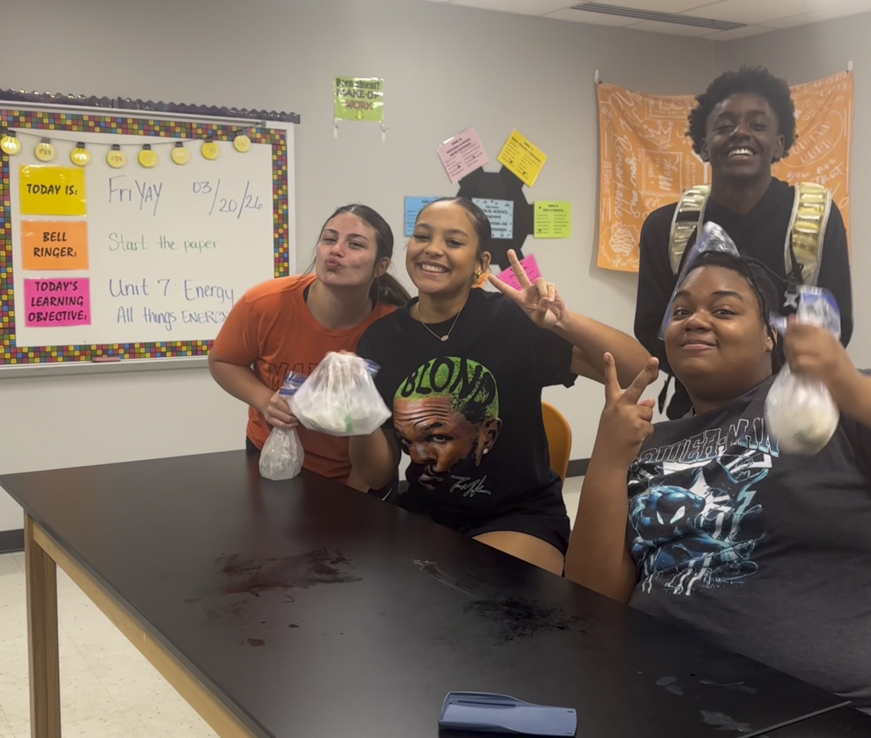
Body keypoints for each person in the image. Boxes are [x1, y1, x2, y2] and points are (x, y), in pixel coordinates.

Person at [568, 251, 871, 738]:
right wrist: (608, 458)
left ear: (770, 336)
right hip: (669, 698)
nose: (695, 321)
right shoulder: (650, 441)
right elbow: (591, 607)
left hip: (839, 709)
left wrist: (854, 390)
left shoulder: (823, 404)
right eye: (682, 311)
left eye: (724, 310)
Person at [351, 197, 650, 575]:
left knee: (472, 590)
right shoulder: (381, 340)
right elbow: (377, 475)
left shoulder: (513, 321)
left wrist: (562, 321)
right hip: (426, 512)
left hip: (518, 517)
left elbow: (638, 368)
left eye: (453, 241)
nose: (433, 249)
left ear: (481, 263)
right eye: (422, 236)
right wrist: (354, 411)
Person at [634, 66, 853, 419]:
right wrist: (716, 378)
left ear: (779, 144)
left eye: (757, 124)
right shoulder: (666, 228)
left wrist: (758, 377)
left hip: (795, 414)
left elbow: (836, 327)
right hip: (697, 414)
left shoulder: (817, 220)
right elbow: (650, 329)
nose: (740, 133)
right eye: (724, 126)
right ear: (703, 146)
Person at [209, 204, 408, 491]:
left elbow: (380, 460)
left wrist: (351, 500)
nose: (336, 250)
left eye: (354, 244)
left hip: (356, 475)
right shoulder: (265, 303)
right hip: (273, 461)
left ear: (381, 266)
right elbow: (223, 361)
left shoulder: (393, 330)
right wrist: (265, 401)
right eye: (329, 239)